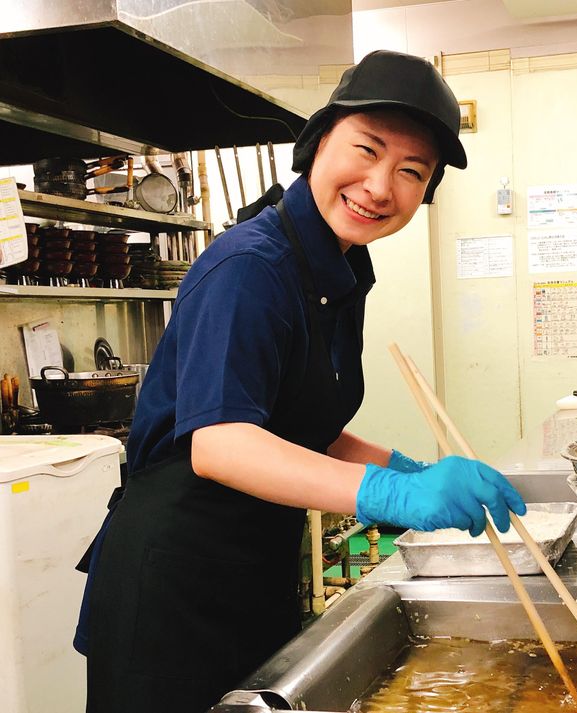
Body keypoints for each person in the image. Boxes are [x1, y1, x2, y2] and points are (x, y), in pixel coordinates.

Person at [79, 49, 526, 713]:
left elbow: (300, 423)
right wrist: (392, 493)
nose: (380, 186)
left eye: (412, 171)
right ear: (317, 144)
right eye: (366, 150)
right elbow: (221, 445)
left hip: (251, 570)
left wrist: (410, 469)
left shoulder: (339, 267)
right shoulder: (250, 267)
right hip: (173, 588)